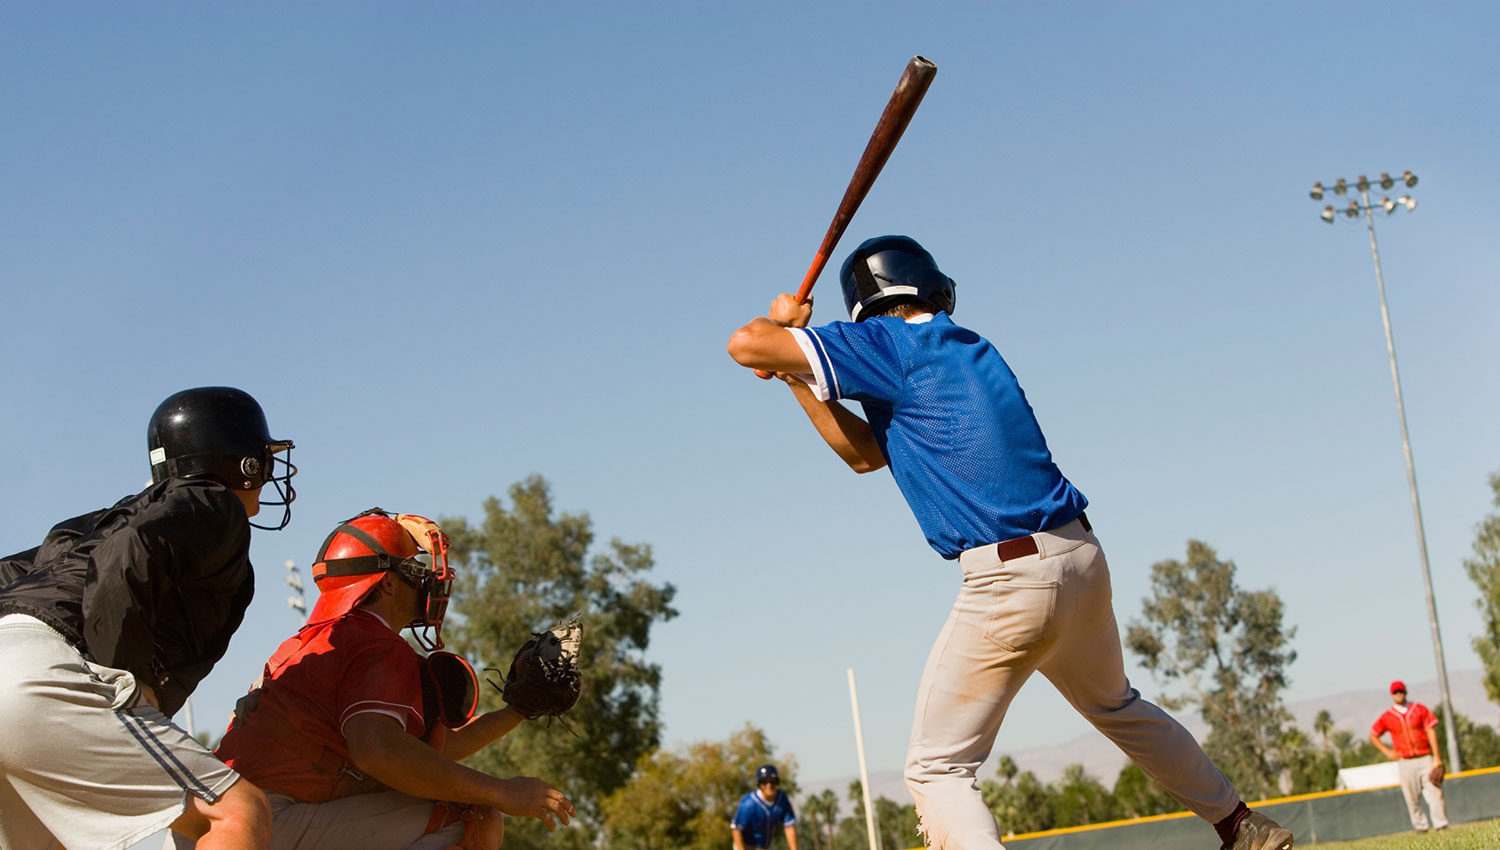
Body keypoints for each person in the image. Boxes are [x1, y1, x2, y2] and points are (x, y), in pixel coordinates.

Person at [726, 236, 1295, 850]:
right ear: (928, 285)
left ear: (866, 307)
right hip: (1079, 559)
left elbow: (744, 342)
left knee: (937, 766)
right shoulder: (966, 349)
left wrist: (783, 329)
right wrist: (794, 373)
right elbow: (864, 456)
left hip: (1010, 577)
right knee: (1117, 706)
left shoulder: (889, 344)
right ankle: (1241, 825)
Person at [0, 386, 296, 850]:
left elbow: (7, 574)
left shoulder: (96, 522)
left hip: (16, 654)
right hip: (41, 674)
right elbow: (128, 553)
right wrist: (128, 679)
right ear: (247, 464)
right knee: (236, 812)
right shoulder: (215, 504)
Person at [200, 508, 574, 850]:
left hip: (222, 821)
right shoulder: (373, 643)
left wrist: (515, 713)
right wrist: (501, 792)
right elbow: (380, 751)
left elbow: (420, 758)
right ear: (389, 584)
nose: (427, 581)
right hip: (261, 823)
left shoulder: (319, 640)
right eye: (414, 571)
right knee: (473, 817)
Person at [1369, 680, 1448, 832]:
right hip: (1405, 760)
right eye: (1395, 692)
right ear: (1391, 695)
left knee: (1435, 792)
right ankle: (1420, 826)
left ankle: (1441, 825)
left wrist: (1436, 757)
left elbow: (1431, 731)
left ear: (1406, 692)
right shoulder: (1388, 716)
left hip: (1425, 757)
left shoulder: (1419, 709)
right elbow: (1373, 735)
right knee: (1412, 797)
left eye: (1401, 691)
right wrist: (1387, 752)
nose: (1398, 694)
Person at [731, 764, 797, 850]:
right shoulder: (749, 803)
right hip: (744, 845)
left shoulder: (782, 800)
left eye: (772, 781)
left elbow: (789, 827)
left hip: (764, 847)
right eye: (764, 782)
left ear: (777, 782)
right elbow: (736, 829)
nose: (769, 785)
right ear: (759, 784)